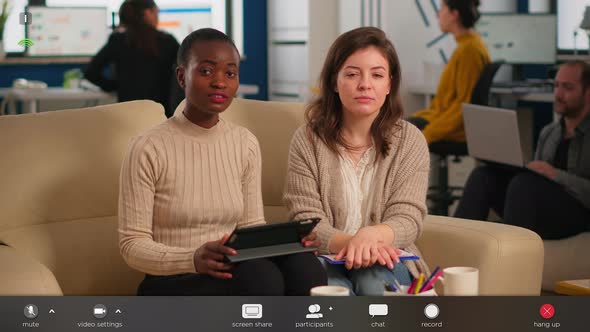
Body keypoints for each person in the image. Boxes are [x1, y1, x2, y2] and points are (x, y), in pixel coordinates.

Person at [118, 28, 326, 296]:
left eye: (230, 73)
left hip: (235, 270)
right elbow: (131, 245)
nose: (220, 82)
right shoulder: (147, 147)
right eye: (206, 71)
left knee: (305, 265)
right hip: (172, 280)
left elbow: (252, 227)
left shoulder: (244, 142)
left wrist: (289, 244)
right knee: (260, 278)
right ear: (182, 76)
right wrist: (192, 258)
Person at [283, 27, 431, 296]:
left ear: (389, 85)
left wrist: (372, 237)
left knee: (373, 282)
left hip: (388, 258)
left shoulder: (411, 141)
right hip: (324, 257)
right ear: (333, 82)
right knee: (332, 291)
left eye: (377, 75)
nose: (365, 84)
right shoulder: (307, 140)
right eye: (352, 74)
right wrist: (357, 243)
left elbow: (408, 217)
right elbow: (306, 220)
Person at [454, 61, 590, 239]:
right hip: (543, 207)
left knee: (523, 185)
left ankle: (513, 255)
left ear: (587, 93)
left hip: (579, 213)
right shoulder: (549, 132)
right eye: (556, 86)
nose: (558, 94)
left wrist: (555, 175)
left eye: (568, 88)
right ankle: (455, 249)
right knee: (483, 176)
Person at [408, 0, 490, 144]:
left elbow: (463, 107)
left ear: (454, 15)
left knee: (397, 134)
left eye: (442, 9)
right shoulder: (466, 45)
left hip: (457, 129)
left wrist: (428, 134)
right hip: (442, 117)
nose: (438, 14)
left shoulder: (469, 50)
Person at [84, 0, 179, 117]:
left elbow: (91, 72)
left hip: (127, 113)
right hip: (160, 112)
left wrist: (115, 85)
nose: (157, 18)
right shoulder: (167, 41)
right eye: (156, 13)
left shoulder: (117, 40)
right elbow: (184, 72)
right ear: (148, 13)